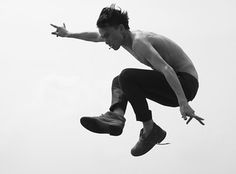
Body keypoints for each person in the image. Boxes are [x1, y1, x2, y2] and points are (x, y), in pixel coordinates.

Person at [51, 4, 204, 157]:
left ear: (121, 28)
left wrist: (183, 103)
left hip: (184, 83)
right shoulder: (121, 38)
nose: (105, 41)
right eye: (103, 36)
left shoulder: (139, 42)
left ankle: (150, 130)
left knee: (126, 77)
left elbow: (166, 69)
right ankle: (116, 117)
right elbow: (94, 37)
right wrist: (68, 34)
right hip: (175, 86)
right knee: (119, 81)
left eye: (107, 36)